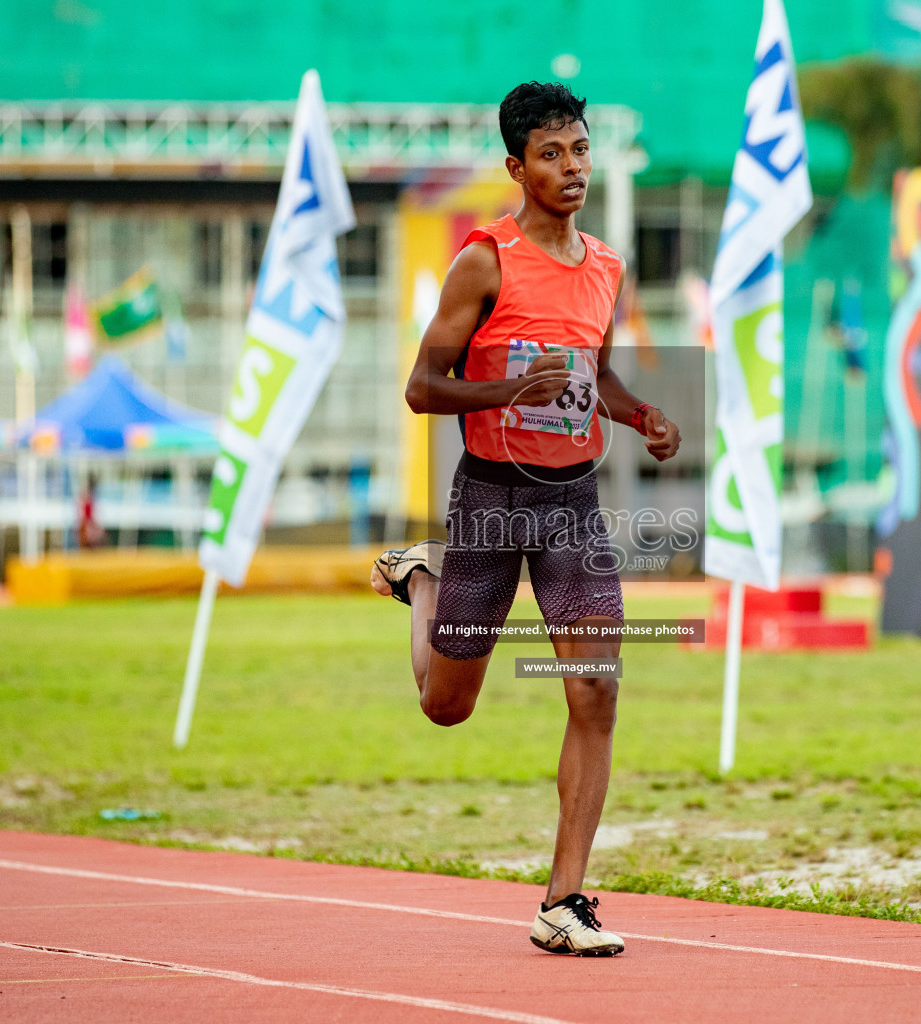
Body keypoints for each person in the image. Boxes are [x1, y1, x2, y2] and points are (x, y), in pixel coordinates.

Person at [370, 81, 681, 957]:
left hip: (572, 501)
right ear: (517, 167)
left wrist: (640, 415)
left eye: (580, 150)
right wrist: (509, 388)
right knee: (447, 706)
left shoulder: (607, 267)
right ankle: (424, 576)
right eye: (552, 154)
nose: (572, 167)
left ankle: (565, 902)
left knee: (597, 688)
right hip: (491, 499)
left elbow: (597, 378)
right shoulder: (486, 260)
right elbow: (422, 388)